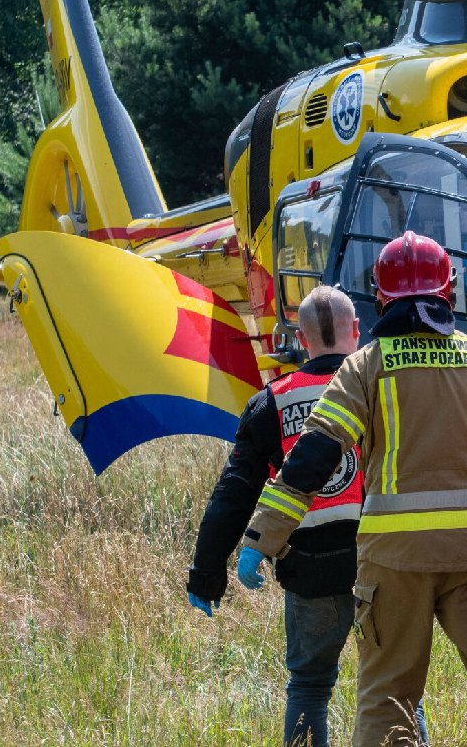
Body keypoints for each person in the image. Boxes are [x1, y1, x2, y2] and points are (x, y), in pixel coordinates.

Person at [241, 231, 467, 747]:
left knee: (389, 700)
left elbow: (315, 457)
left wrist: (264, 538)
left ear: (382, 298)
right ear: (449, 293)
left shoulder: (366, 366)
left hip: (394, 561)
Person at [186, 285, 366, 747]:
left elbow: (235, 494)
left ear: (301, 340)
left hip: (311, 571)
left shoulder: (272, 402)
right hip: (381, 566)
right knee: (395, 690)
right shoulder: (379, 389)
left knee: (309, 687)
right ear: (357, 331)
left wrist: (207, 574)